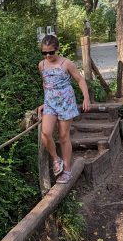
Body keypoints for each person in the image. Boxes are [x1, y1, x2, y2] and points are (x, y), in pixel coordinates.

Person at [37, 34, 91, 184]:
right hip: (50, 103)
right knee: (45, 133)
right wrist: (45, 102)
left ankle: (66, 170)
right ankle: (56, 159)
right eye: (44, 53)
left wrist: (86, 98)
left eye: (51, 52)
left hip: (66, 102)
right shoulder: (41, 65)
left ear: (57, 49)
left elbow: (80, 80)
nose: (48, 55)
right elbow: (45, 84)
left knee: (63, 137)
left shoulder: (66, 63)